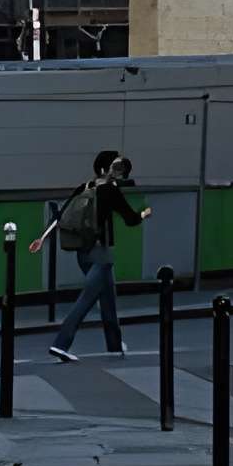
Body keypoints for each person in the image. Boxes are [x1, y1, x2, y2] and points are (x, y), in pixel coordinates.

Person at [31, 151, 151, 361]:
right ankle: (61, 343)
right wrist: (144, 213)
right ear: (108, 169)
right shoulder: (110, 191)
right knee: (86, 299)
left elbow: (60, 215)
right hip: (101, 253)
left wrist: (42, 238)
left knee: (108, 300)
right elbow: (130, 219)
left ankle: (114, 346)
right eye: (116, 166)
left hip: (82, 253)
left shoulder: (85, 187)